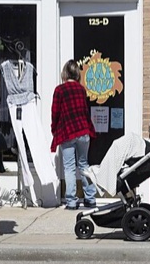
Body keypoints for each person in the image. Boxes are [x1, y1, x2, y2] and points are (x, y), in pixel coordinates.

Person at [51, 59, 97, 210]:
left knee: (69, 167)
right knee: (84, 165)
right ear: (77, 74)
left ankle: (71, 201)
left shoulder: (60, 90)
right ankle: (90, 198)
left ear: (64, 73)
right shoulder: (81, 89)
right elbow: (84, 111)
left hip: (68, 132)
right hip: (83, 131)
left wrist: (54, 129)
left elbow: (55, 113)